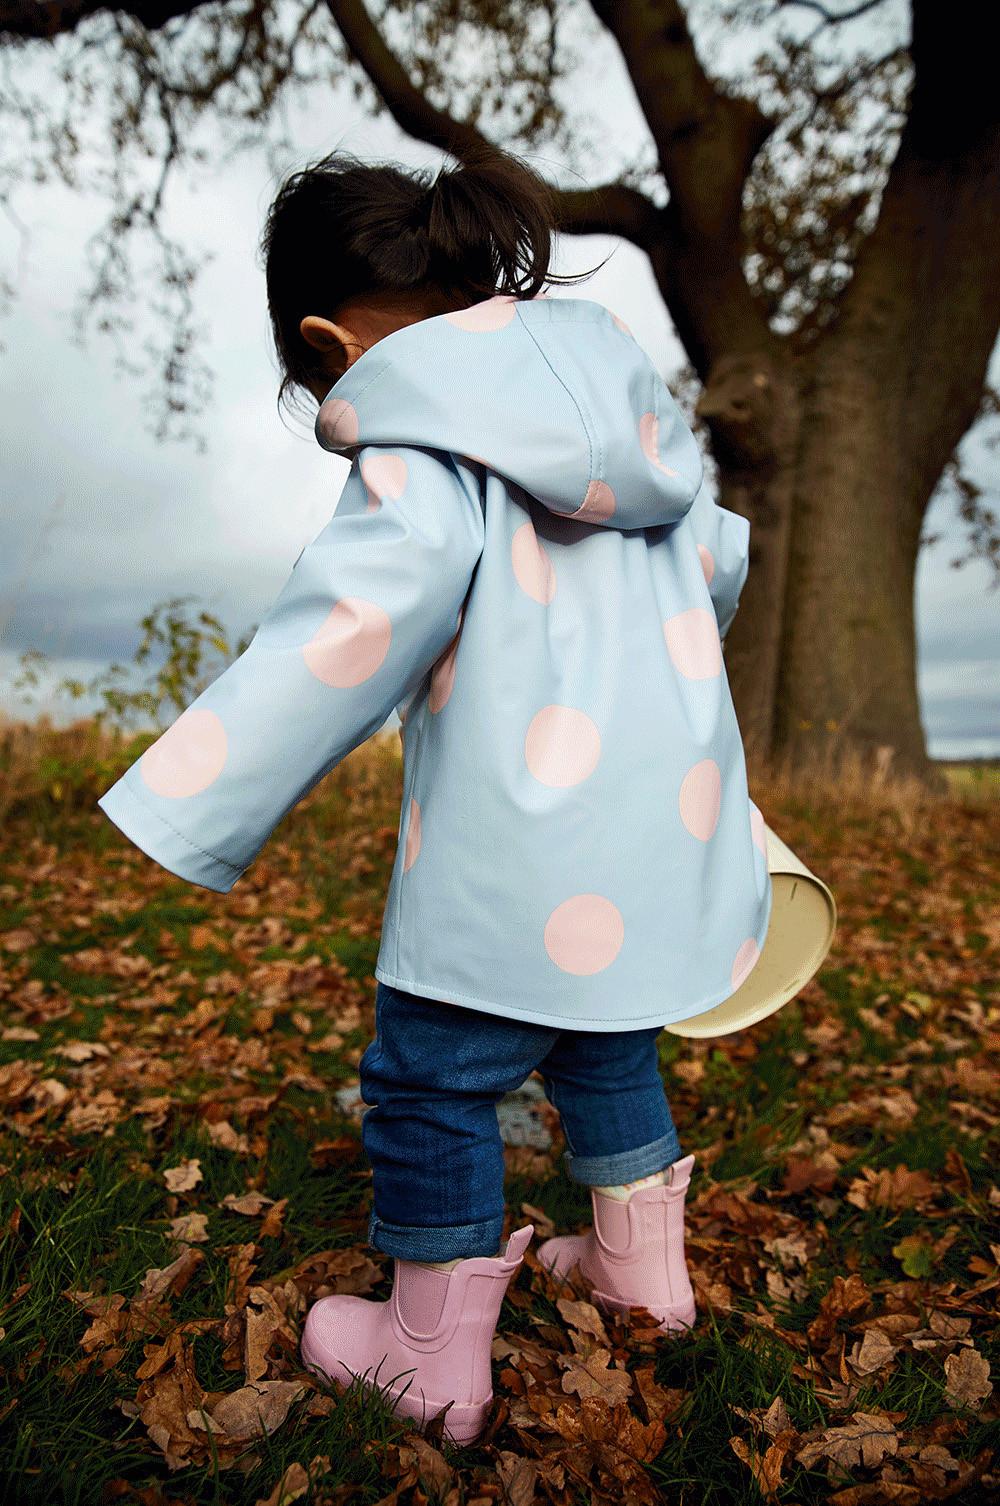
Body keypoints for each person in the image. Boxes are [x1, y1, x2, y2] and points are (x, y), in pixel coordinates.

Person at [97, 142, 772, 1446]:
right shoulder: (634, 425)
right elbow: (721, 567)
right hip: (645, 832)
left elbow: (359, 617)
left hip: (505, 853)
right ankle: (644, 1273)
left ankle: (426, 1352)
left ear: (327, 341)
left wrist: (198, 785)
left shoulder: (427, 437)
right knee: (605, 1039)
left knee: (430, 1076)